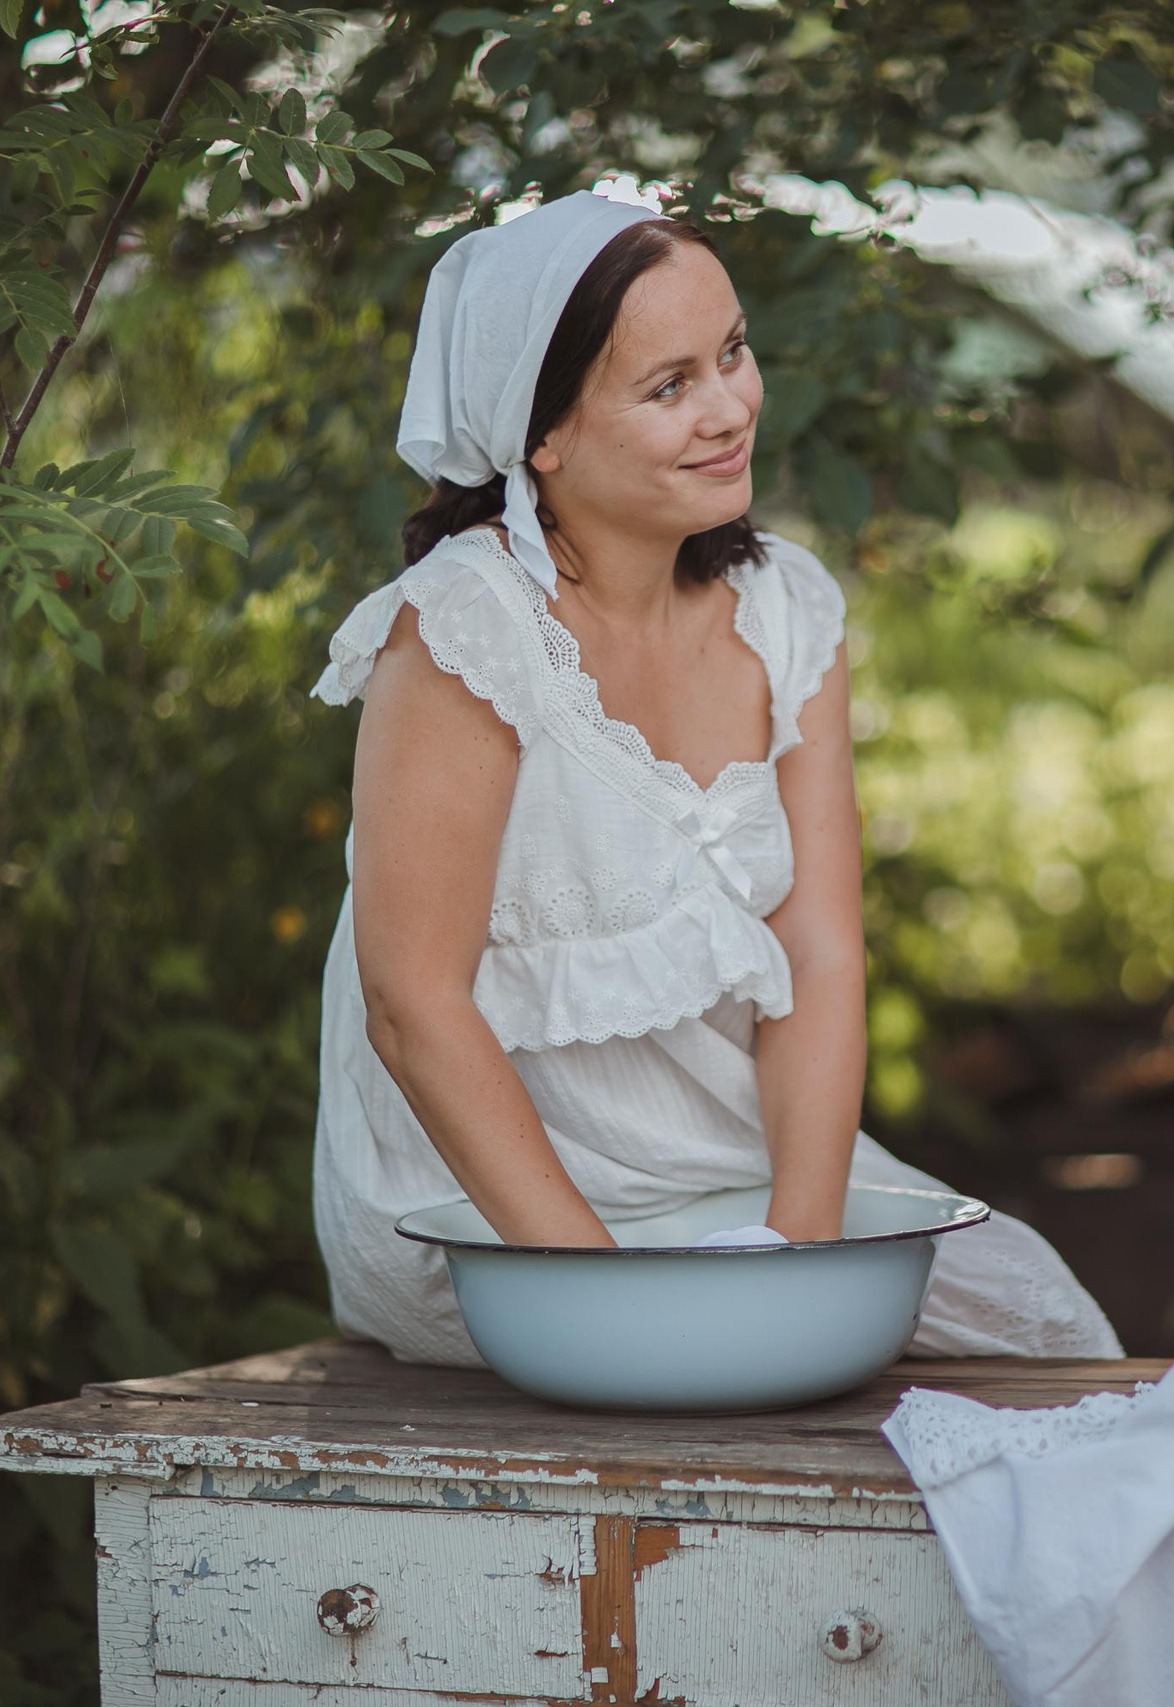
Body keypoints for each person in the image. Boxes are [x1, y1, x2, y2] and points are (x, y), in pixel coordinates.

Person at [305, 187, 1123, 1367]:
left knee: (1043, 1326)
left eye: (732, 353)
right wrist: (603, 1306)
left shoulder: (785, 609)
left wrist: (797, 1250)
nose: (731, 407)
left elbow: (821, 954)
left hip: (722, 1155)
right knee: (695, 1379)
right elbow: (411, 1005)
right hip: (482, 1201)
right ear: (543, 436)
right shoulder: (462, 631)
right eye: (668, 386)